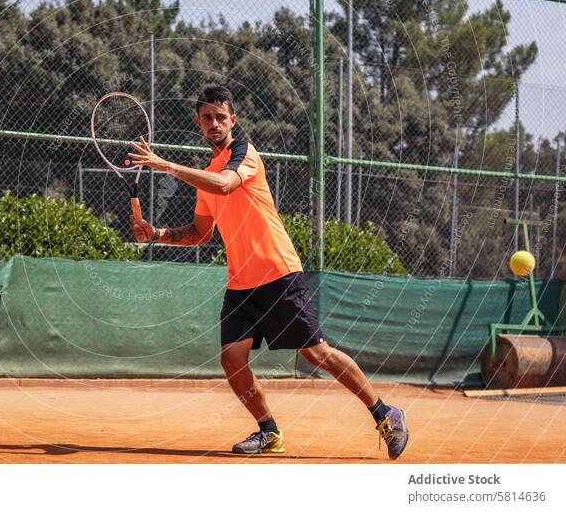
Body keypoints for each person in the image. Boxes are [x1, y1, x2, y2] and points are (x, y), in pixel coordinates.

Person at [127, 85, 409, 459]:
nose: (214, 123)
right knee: (232, 359)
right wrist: (158, 233)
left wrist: (167, 166)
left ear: (233, 120)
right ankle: (269, 432)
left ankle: (385, 413)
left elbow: (226, 186)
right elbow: (199, 232)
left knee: (316, 354)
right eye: (207, 117)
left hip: (278, 273)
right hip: (241, 284)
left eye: (220, 117)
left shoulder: (243, 154)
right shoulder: (206, 173)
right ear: (198, 122)